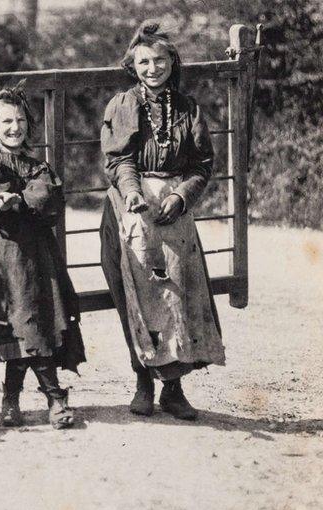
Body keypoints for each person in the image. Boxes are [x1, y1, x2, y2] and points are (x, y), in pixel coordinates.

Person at [100, 21, 225, 420]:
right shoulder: (123, 105)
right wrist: (133, 192)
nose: (152, 68)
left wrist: (180, 195)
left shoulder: (188, 109)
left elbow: (203, 165)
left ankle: (173, 388)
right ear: (132, 65)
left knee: (175, 293)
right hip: (130, 206)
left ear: (172, 61)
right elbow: (119, 159)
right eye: (144, 62)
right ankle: (142, 382)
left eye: (160, 60)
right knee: (136, 296)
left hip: (174, 210)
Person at [0, 84, 85, 430]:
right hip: (0, 260)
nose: (15, 128)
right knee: (17, 325)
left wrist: (22, 200)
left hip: (36, 261)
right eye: (6, 122)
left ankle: (30, 396)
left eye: (20, 120)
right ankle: (44, 395)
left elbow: (47, 198)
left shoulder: (37, 167)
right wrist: (0, 199)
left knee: (33, 322)